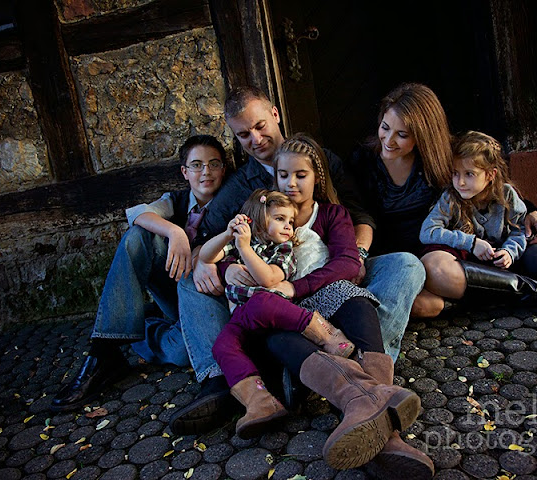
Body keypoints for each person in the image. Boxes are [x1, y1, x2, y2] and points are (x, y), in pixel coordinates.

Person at [168, 86, 424, 435]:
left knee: (404, 267)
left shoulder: (326, 176)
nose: (255, 139)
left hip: (327, 279)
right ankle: (225, 382)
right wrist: (221, 266)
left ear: (275, 114)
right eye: (243, 135)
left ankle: (362, 378)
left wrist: (353, 258)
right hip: (273, 299)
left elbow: (358, 221)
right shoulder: (244, 192)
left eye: (260, 126)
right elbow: (213, 242)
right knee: (202, 286)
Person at [256, 134, 433, 476]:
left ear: (317, 177)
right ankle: (385, 427)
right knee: (276, 336)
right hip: (287, 311)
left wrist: (296, 286)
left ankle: (360, 406)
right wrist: (230, 266)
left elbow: (349, 263)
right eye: (283, 175)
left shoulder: (331, 214)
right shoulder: (264, 216)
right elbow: (238, 249)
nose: (291, 183)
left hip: (325, 294)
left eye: (301, 175)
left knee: (356, 299)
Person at [348, 83, 537, 318]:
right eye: (385, 127)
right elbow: (358, 215)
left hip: (446, 253)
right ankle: (497, 292)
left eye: (402, 134)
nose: (388, 140)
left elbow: (489, 182)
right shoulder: (363, 162)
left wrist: (530, 209)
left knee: (436, 270)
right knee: (424, 305)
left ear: (423, 135)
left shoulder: (445, 155)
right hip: (401, 259)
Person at [50, 135, 227, 412]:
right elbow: (138, 214)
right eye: (197, 165)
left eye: (213, 164)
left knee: (181, 352)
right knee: (138, 236)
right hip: (172, 289)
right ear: (184, 172)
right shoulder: (176, 201)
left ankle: (141, 324)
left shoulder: (230, 202)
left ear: (223, 169)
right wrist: (175, 232)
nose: (206, 171)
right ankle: (103, 353)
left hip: (203, 299)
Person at [202, 188, 355, 438]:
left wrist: (244, 249)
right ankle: (260, 402)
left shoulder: (283, 250)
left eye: (291, 221)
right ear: (258, 217)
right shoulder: (239, 243)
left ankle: (328, 335)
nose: (288, 226)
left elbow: (268, 278)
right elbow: (206, 257)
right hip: (241, 316)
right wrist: (228, 234)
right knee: (222, 346)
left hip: (271, 310)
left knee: (261, 302)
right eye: (280, 218)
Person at [419, 130, 537, 313]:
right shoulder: (450, 198)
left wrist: (509, 252)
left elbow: (519, 230)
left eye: (469, 174)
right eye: (455, 174)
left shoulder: (506, 195)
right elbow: (427, 231)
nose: (460, 182)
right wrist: (471, 243)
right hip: (481, 263)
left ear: (490, 175)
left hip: (511, 255)